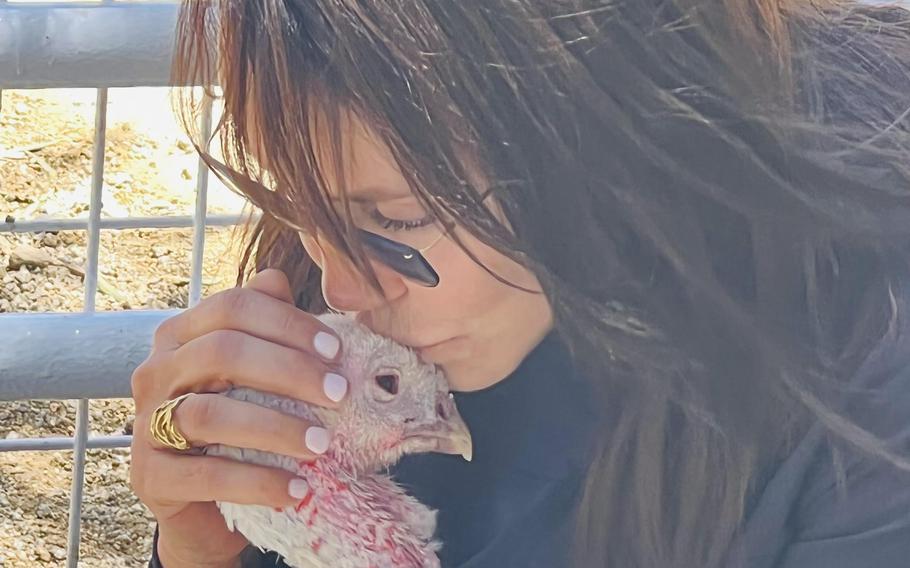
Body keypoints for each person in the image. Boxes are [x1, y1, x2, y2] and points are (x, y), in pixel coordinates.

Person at [129, 0, 910, 566]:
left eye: (397, 221)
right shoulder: (358, 277)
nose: (338, 291)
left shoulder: (866, 369)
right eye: (294, 203)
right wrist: (199, 543)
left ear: (605, 115)